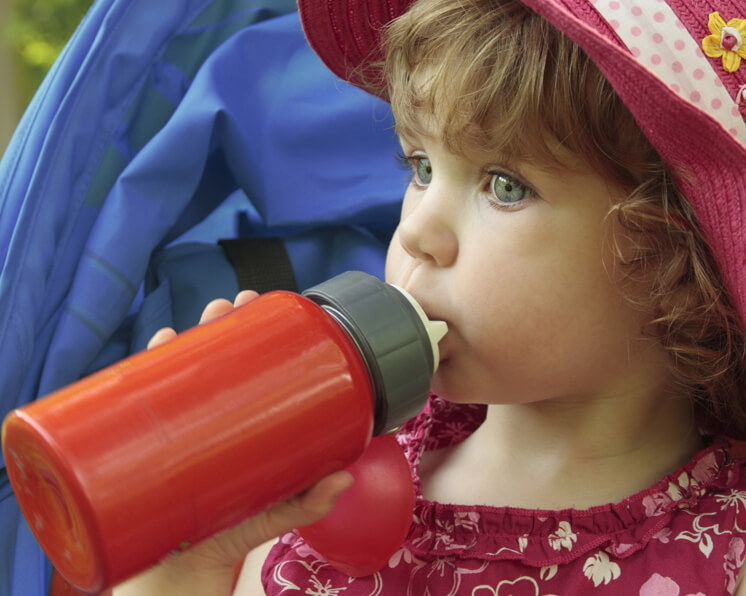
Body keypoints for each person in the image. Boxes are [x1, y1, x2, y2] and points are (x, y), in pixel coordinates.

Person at [114, 0, 746, 593]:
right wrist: (189, 550)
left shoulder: (725, 551)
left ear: (678, 251)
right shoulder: (324, 470)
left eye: (504, 186)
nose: (415, 232)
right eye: (420, 167)